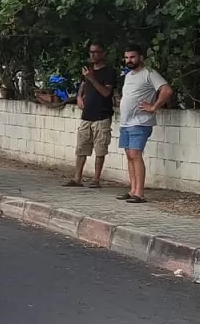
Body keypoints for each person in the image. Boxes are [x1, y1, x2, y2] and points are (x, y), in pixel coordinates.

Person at [117, 44, 173, 203]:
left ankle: (139, 193)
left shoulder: (149, 73)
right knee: (129, 156)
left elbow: (166, 90)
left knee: (135, 155)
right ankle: (132, 189)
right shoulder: (129, 75)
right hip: (126, 122)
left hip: (140, 122)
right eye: (127, 57)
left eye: (132, 57)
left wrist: (154, 107)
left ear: (141, 57)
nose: (129, 60)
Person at [64, 42, 116, 188]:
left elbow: (106, 92)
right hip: (87, 115)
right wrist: (79, 97)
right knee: (81, 148)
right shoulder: (88, 70)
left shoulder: (109, 72)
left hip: (102, 115)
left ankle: (96, 179)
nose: (93, 55)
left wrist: (92, 78)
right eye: (91, 52)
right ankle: (77, 178)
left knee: (100, 149)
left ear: (103, 53)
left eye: (96, 52)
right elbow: (82, 85)